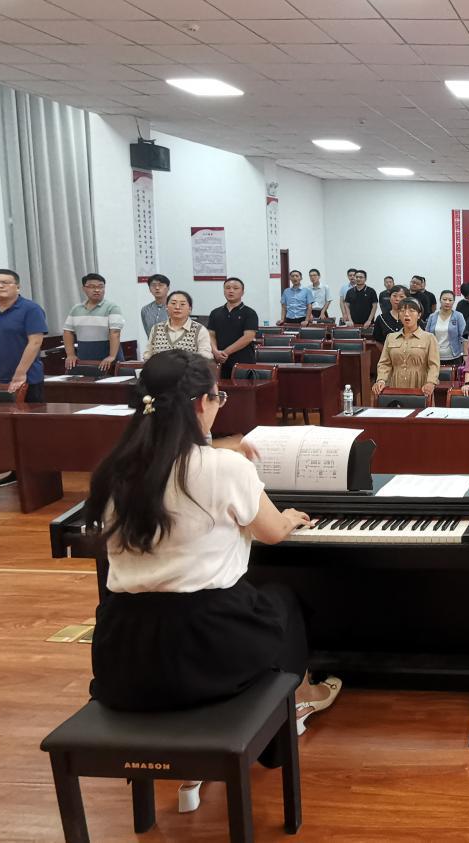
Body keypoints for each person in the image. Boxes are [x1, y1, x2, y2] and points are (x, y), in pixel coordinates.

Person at [83, 350, 339, 767]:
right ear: (202, 403)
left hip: (124, 656)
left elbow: (173, 463)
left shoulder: (114, 470)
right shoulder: (225, 468)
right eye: (219, 397)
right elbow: (272, 532)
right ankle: (294, 707)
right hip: (207, 650)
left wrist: (218, 445)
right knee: (282, 601)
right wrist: (289, 517)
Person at [0, 268, 47, 487]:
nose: (0, 286)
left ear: (18, 286)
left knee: (29, 430)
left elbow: (35, 342)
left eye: (5, 282)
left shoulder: (30, 309)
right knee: (5, 431)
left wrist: (20, 373)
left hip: (27, 379)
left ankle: (37, 474)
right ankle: (16, 470)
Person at [372, 298, 439, 399]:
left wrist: (431, 382)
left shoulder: (429, 338)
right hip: (395, 385)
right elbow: (384, 363)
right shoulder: (390, 337)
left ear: (419, 315)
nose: (406, 314)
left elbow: (434, 365)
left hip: (421, 386)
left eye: (411, 311)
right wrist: (381, 380)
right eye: (402, 311)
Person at [63, 272, 124, 371]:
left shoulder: (112, 308)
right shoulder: (76, 309)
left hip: (107, 359)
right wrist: (70, 355)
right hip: (84, 358)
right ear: (84, 289)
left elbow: (115, 333)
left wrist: (112, 356)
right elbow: (67, 332)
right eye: (92, 287)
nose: (97, 290)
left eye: (101, 286)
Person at [208, 277, 258, 380]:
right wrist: (216, 352)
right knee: (219, 388)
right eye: (227, 288)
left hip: (243, 362)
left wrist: (225, 353)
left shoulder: (250, 313)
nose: (231, 291)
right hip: (219, 362)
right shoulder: (215, 313)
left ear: (242, 292)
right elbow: (210, 335)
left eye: (235, 288)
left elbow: (248, 337)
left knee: (242, 389)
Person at [145, 290, 212, 359]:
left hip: (189, 366)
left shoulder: (199, 330)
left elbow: (205, 357)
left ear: (190, 309)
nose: (177, 307)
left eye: (182, 304)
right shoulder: (156, 328)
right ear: (166, 307)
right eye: (173, 303)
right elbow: (148, 355)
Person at [425, 290, 466, 370]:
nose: (447, 302)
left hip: (454, 356)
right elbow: (427, 336)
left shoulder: (458, 316)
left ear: (454, 301)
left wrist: (465, 353)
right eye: (444, 299)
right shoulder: (432, 316)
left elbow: (464, 336)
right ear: (440, 300)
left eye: (450, 300)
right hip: (434, 356)